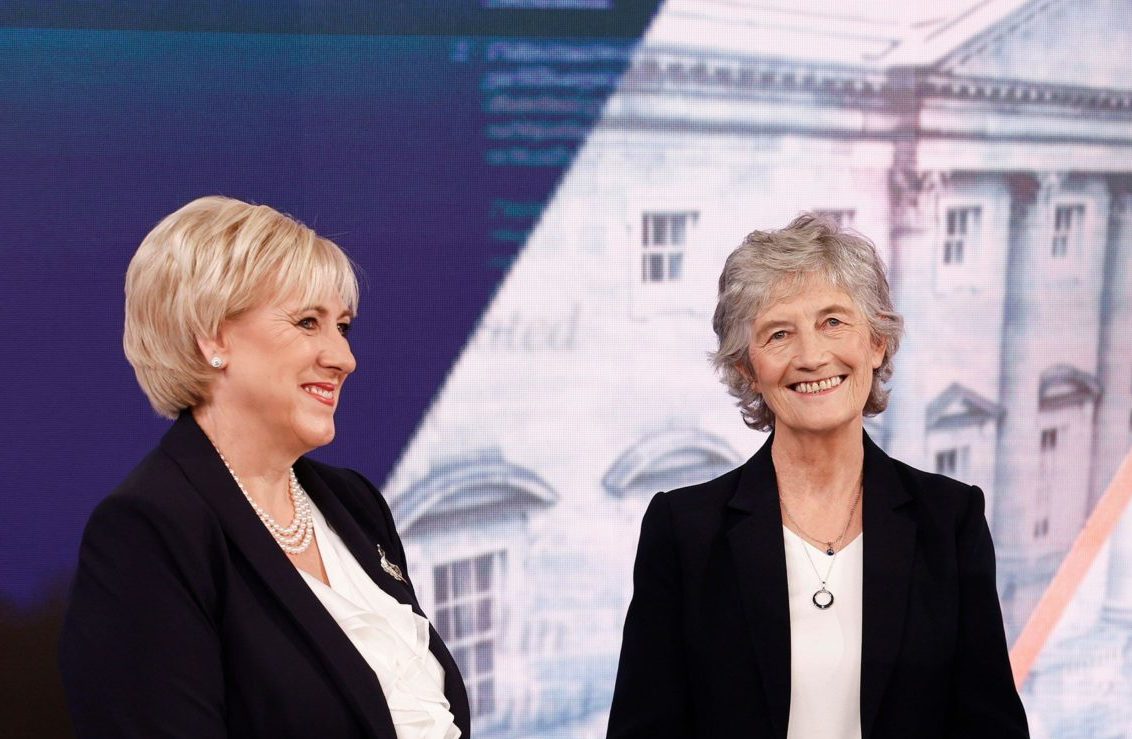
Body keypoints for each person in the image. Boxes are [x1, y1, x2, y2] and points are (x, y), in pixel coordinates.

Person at [60, 196, 470, 738]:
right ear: (213, 336)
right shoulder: (150, 529)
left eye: (342, 327)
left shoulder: (354, 503)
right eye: (307, 322)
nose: (343, 358)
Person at [606, 213, 1028, 738]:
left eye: (833, 322)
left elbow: (992, 727)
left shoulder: (950, 519)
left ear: (877, 342)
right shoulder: (684, 530)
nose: (812, 356)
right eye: (779, 333)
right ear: (746, 369)